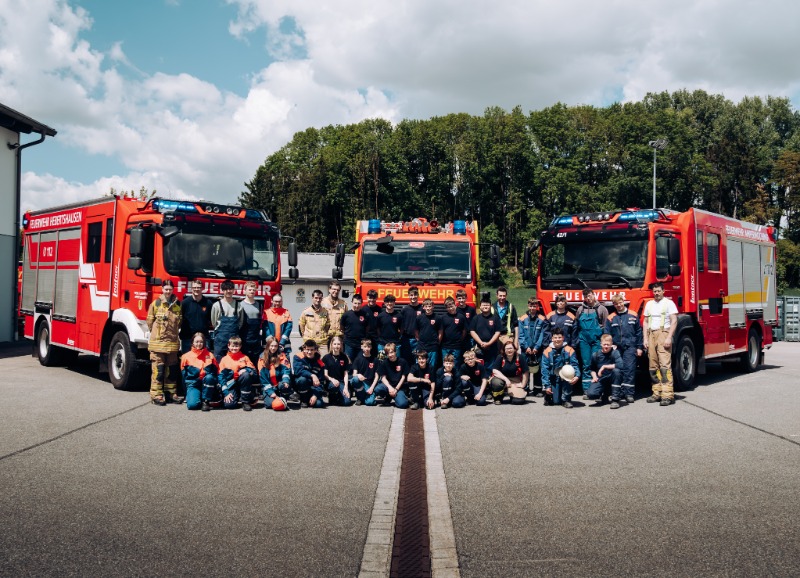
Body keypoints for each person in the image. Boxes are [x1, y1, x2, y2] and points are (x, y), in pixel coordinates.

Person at [146, 279, 184, 406]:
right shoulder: (156, 304)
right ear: (162, 290)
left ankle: (171, 393)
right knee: (158, 371)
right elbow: (150, 322)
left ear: (173, 290)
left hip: (172, 345)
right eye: (166, 289)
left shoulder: (177, 304)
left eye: (170, 289)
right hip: (158, 345)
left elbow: (179, 322)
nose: (168, 291)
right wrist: (157, 335)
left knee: (171, 371)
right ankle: (156, 395)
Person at [643, 282, 678, 406]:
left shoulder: (669, 304)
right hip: (651, 334)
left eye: (658, 291)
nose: (656, 293)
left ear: (663, 291)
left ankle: (668, 395)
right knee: (653, 366)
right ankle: (656, 393)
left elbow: (674, 321)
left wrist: (669, 337)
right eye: (654, 291)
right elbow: (646, 322)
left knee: (664, 366)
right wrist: (645, 339)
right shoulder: (649, 304)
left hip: (663, 333)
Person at [605, 294, 643, 405]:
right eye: (616, 304)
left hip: (630, 347)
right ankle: (619, 393)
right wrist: (610, 345)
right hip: (617, 348)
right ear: (614, 305)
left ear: (623, 301)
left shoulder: (633, 315)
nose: (618, 305)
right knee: (618, 370)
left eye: (620, 302)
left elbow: (639, 333)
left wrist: (639, 347)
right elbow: (607, 333)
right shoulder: (611, 317)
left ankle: (629, 394)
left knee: (630, 370)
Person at [573, 288, 609, 398]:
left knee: (598, 364)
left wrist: (605, 342)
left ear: (594, 295)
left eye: (589, 296)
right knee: (586, 364)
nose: (588, 298)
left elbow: (606, 326)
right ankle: (586, 390)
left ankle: (598, 389)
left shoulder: (602, 309)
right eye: (586, 297)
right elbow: (577, 325)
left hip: (597, 341)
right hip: (584, 341)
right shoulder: (580, 310)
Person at [540, 327, 580, 408]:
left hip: (566, 377)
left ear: (563, 338)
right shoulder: (547, 351)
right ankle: (549, 395)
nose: (557, 340)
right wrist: (547, 386)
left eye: (559, 337)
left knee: (568, 374)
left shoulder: (569, 350)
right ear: (552, 338)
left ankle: (566, 400)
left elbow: (575, 364)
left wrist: (577, 376)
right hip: (554, 378)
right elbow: (544, 370)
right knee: (556, 402)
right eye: (555, 337)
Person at [518, 298, 549, 396]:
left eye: (534, 306)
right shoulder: (522, 318)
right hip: (525, 349)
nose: (532, 308)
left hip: (537, 349)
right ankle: (525, 388)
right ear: (528, 306)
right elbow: (521, 334)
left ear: (537, 306)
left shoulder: (542, 319)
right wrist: (525, 346)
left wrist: (537, 347)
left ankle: (537, 389)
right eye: (531, 306)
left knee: (538, 368)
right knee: (525, 368)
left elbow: (542, 335)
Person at [180, 332, 219, 411]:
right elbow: (184, 377)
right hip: (193, 385)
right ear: (192, 343)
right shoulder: (185, 357)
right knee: (192, 406)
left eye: (201, 342)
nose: (199, 344)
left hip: (207, 383)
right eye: (197, 342)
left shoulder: (210, 355)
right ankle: (196, 396)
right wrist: (186, 393)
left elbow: (216, 371)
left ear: (204, 343)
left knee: (209, 377)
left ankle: (206, 401)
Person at [218, 336, 258, 411]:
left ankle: (245, 401)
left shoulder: (245, 357)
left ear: (240, 346)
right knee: (230, 405)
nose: (234, 348)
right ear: (228, 346)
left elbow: (254, 373)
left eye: (236, 346)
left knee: (245, 374)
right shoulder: (224, 360)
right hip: (231, 385)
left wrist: (246, 370)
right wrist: (226, 393)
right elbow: (220, 377)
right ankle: (235, 395)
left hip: (243, 384)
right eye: (232, 346)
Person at [258, 335, 297, 410]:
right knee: (270, 405)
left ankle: (284, 398)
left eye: (275, 346)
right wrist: (270, 392)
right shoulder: (262, 358)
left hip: (279, 384)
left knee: (284, 386)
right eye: (271, 346)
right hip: (269, 385)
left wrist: (285, 381)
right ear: (268, 346)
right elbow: (263, 378)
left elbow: (286, 370)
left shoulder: (282, 356)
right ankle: (275, 397)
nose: (273, 348)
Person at [210, 279, 245, 361]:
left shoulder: (238, 305)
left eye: (230, 289)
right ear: (222, 290)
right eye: (226, 289)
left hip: (234, 339)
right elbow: (214, 322)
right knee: (218, 360)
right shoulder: (217, 305)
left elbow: (241, 322)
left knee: (234, 360)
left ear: (233, 290)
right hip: (220, 339)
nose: (228, 291)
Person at [587, 334, 623, 407]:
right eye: (604, 344)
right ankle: (604, 396)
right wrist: (594, 377)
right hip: (602, 379)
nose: (606, 346)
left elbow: (621, 365)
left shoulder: (615, 353)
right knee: (591, 394)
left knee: (617, 371)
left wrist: (604, 367)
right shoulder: (595, 355)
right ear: (601, 344)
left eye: (608, 344)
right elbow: (592, 369)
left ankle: (615, 400)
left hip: (612, 378)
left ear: (611, 344)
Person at [490, 341, 529, 405]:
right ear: (504, 350)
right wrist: (506, 380)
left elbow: (526, 372)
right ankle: (498, 398)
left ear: (514, 349)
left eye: (511, 348)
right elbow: (495, 371)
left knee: (518, 401)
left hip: (515, 380)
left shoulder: (520, 357)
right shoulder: (500, 357)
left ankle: (512, 395)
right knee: (496, 383)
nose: (509, 350)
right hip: (502, 380)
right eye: (507, 348)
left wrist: (523, 384)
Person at [292, 339, 327, 408]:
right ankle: (303, 400)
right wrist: (312, 375)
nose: (309, 352)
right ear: (304, 349)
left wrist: (315, 395)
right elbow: (298, 371)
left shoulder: (320, 363)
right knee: (302, 379)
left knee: (319, 404)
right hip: (300, 384)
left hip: (313, 388)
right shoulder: (297, 357)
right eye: (307, 349)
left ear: (315, 350)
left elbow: (321, 382)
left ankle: (310, 398)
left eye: (312, 350)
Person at [179, 280, 212, 353]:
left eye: (199, 287)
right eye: (194, 287)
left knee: (204, 362)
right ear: (191, 288)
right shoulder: (185, 303)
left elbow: (211, 320)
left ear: (202, 288)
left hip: (203, 339)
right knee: (187, 362)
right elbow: (180, 319)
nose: (196, 289)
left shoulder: (208, 303)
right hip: (187, 338)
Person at [470, 296, 502, 370]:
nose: (485, 306)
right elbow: (472, 331)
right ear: (480, 306)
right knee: (478, 368)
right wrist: (481, 342)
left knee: (491, 368)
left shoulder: (495, 318)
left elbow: (498, 332)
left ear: (490, 306)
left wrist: (489, 343)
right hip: (478, 348)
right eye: (483, 305)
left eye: (487, 305)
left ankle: (490, 381)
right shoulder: (476, 318)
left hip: (492, 347)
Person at [376, 343, 410, 408]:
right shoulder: (384, 363)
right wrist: (390, 388)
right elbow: (383, 378)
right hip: (389, 386)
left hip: (399, 387)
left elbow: (403, 377)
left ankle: (396, 397)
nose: (390, 355)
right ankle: (388, 396)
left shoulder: (402, 362)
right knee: (378, 389)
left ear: (396, 352)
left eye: (391, 352)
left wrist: (396, 389)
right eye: (388, 353)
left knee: (403, 404)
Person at [322, 335, 352, 406]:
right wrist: (332, 379)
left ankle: (339, 396)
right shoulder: (326, 357)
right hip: (330, 383)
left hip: (341, 382)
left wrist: (346, 387)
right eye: (335, 344)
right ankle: (332, 395)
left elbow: (346, 374)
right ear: (331, 345)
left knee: (347, 402)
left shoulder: (344, 357)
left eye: (338, 344)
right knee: (334, 386)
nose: (336, 346)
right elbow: (325, 374)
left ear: (341, 345)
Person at [349, 338, 381, 406]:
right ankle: (360, 398)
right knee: (355, 380)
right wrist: (358, 375)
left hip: (370, 384)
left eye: (368, 347)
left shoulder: (375, 360)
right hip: (362, 383)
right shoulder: (357, 359)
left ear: (371, 347)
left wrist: (372, 387)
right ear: (361, 347)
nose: (367, 348)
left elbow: (377, 376)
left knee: (370, 403)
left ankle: (366, 397)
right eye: (365, 346)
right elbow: (354, 374)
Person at [299, 289, 330, 356]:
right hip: (309, 342)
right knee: (309, 362)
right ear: (312, 298)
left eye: (320, 298)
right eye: (316, 298)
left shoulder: (325, 312)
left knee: (324, 361)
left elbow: (327, 326)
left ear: (322, 299)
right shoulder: (306, 311)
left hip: (322, 343)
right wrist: (305, 335)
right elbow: (301, 325)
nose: (318, 300)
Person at [240, 281, 264, 366]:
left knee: (256, 362)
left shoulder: (259, 305)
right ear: (245, 291)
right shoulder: (240, 305)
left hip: (256, 340)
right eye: (250, 290)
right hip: (245, 339)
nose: (252, 291)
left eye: (253, 290)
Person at [440, 296, 467, 368]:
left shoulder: (461, 317)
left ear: (455, 305)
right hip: (445, 346)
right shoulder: (443, 317)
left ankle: (455, 378)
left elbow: (464, 331)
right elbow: (441, 331)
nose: (450, 308)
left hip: (457, 346)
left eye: (451, 306)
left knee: (456, 364)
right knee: (446, 364)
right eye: (448, 307)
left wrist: (460, 339)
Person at [415, 298, 442, 370]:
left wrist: (437, 342)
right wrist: (419, 340)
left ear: (433, 307)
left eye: (430, 306)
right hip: (422, 346)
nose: (428, 308)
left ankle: (431, 380)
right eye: (426, 306)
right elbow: (416, 331)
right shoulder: (419, 318)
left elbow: (440, 332)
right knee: (420, 365)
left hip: (433, 346)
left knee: (432, 366)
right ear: (423, 307)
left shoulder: (438, 318)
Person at [400, 286, 423, 364]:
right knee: (406, 359)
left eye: (415, 295)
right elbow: (401, 325)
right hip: (406, 339)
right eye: (411, 295)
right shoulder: (404, 309)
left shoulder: (422, 309)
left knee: (418, 360)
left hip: (418, 340)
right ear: (409, 296)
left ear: (418, 295)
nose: (413, 297)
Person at [341, 293, 367, 362]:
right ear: (352, 302)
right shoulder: (346, 315)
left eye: (359, 303)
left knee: (360, 362)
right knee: (348, 363)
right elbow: (342, 327)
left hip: (361, 344)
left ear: (362, 303)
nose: (357, 305)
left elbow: (367, 328)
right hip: (349, 344)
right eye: (355, 303)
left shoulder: (365, 314)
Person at [455, 289, 477, 353]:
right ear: (456, 299)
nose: (461, 300)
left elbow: (475, 322)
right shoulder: (455, 310)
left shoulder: (471, 309)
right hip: (460, 336)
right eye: (459, 298)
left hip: (469, 336)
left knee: (470, 353)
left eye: (463, 298)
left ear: (466, 298)